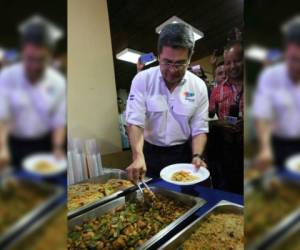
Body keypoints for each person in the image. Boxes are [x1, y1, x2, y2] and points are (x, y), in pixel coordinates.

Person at [126, 23, 208, 182]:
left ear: (190, 58)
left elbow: (200, 128)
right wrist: (137, 156)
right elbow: (134, 121)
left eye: (180, 63)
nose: (172, 69)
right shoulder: (142, 79)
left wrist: (197, 155)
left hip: (182, 154)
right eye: (167, 62)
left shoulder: (199, 86)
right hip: (148, 153)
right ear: (158, 56)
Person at [0, 21, 66, 169]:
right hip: (13, 144)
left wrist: (57, 147)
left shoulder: (58, 82)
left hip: (44, 144)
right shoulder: (7, 76)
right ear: (23, 52)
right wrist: (2, 148)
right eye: (30, 59)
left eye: (41, 59)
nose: (35, 66)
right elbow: (2, 117)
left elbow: (58, 120)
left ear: (49, 55)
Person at [252, 17, 300, 169]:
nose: (298, 67)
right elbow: (262, 116)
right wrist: (265, 148)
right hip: (277, 144)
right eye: (294, 59)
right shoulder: (270, 76)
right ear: (286, 52)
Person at [207, 41, 244, 194]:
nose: (233, 66)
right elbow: (206, 121)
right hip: (227, 150)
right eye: (228, 63)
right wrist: (221, 123)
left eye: (237, 61)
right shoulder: (217, 90)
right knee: (230, 189)